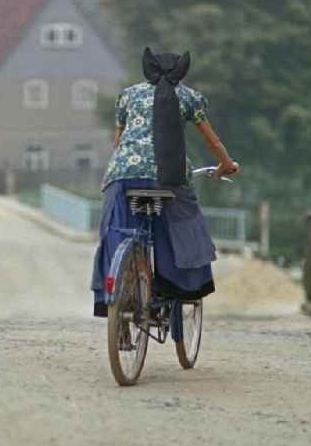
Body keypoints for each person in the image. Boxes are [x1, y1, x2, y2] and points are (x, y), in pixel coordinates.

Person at [91, 48, 239, 317]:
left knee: (117, 229)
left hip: (122, 174)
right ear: (181, 72)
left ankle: (120, 298)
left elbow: (118, 143)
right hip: (169, 176)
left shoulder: (127, 96)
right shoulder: (189, 97)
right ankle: (177, 286)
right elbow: (212, 142)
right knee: (184, 221)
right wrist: (226, 165)